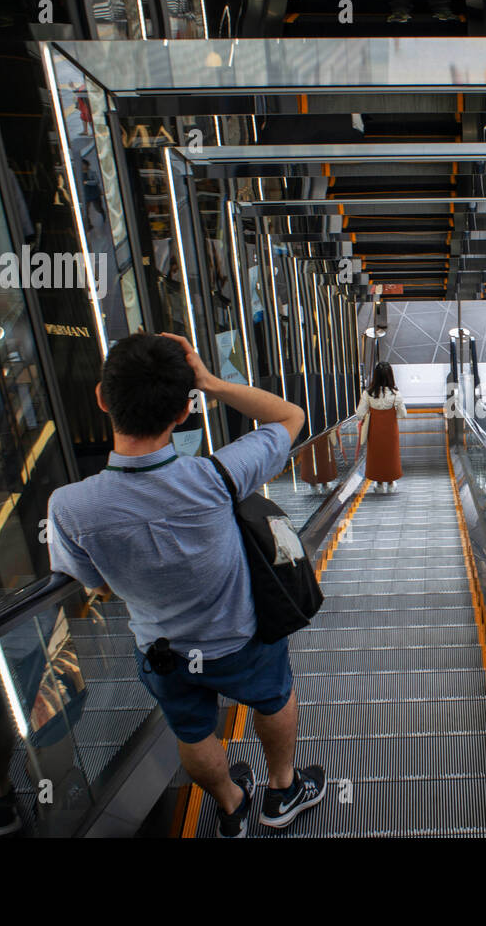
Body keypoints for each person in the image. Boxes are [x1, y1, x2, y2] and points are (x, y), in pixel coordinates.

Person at [47, 333, 326, 838]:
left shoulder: (69, 507)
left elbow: (91, 583)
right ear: (183, 413)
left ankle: (231, 805)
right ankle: (283, 791)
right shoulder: (217, 475)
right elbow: (290, 417)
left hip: (162, 652)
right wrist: (211, 382)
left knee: (193, 730)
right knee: (274, 698)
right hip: (240, 640)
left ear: (102, 399)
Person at [355, 361, 408, 494]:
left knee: (376, 455)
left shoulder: (368, 394)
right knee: (391, 455)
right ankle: (390, 483)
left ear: (375, 376)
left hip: (375, 430)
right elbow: (403, 414)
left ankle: (378, 484)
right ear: (390, 376)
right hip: (391, 431)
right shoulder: (396, 394)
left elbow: (359, 414)